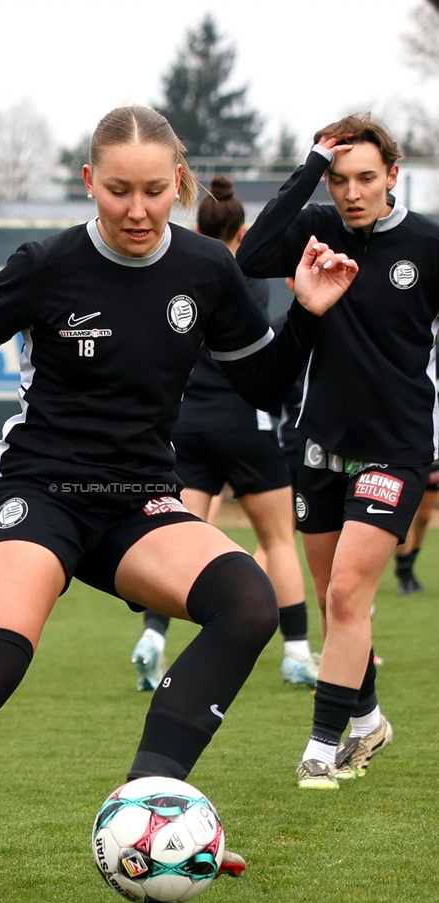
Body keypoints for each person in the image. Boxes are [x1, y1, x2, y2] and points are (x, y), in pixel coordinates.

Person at [0, 105, 356, 903]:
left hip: (139, 498)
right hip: (40, 491)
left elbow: (263, 385)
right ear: (89, 183)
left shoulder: (208, 269)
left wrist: (309, 313)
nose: (137, 210)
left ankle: (145, 807)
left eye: (154, 191)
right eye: (117, 191)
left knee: (247, 601)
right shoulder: (48, 263)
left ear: (178, 183)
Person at [237, 113, 439, 789]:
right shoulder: (316, 227)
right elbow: (250, 257)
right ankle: (368, 719)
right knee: (332, 598)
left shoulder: (428, 244)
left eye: (365, 178)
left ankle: (321, 749)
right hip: (319, 444)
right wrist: (309, 166)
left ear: (392, 176)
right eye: (339, 179)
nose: (352, 193)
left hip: (396, 450)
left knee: (350, 592)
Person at [131, 174, 317, 693]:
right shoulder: (248, 276)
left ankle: (153, 636)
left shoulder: (178, 273)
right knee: (278, 539)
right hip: (244, 422)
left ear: (196, 227)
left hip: (188, 426)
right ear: (242, 231)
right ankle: (297, 654)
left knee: (175, 542)